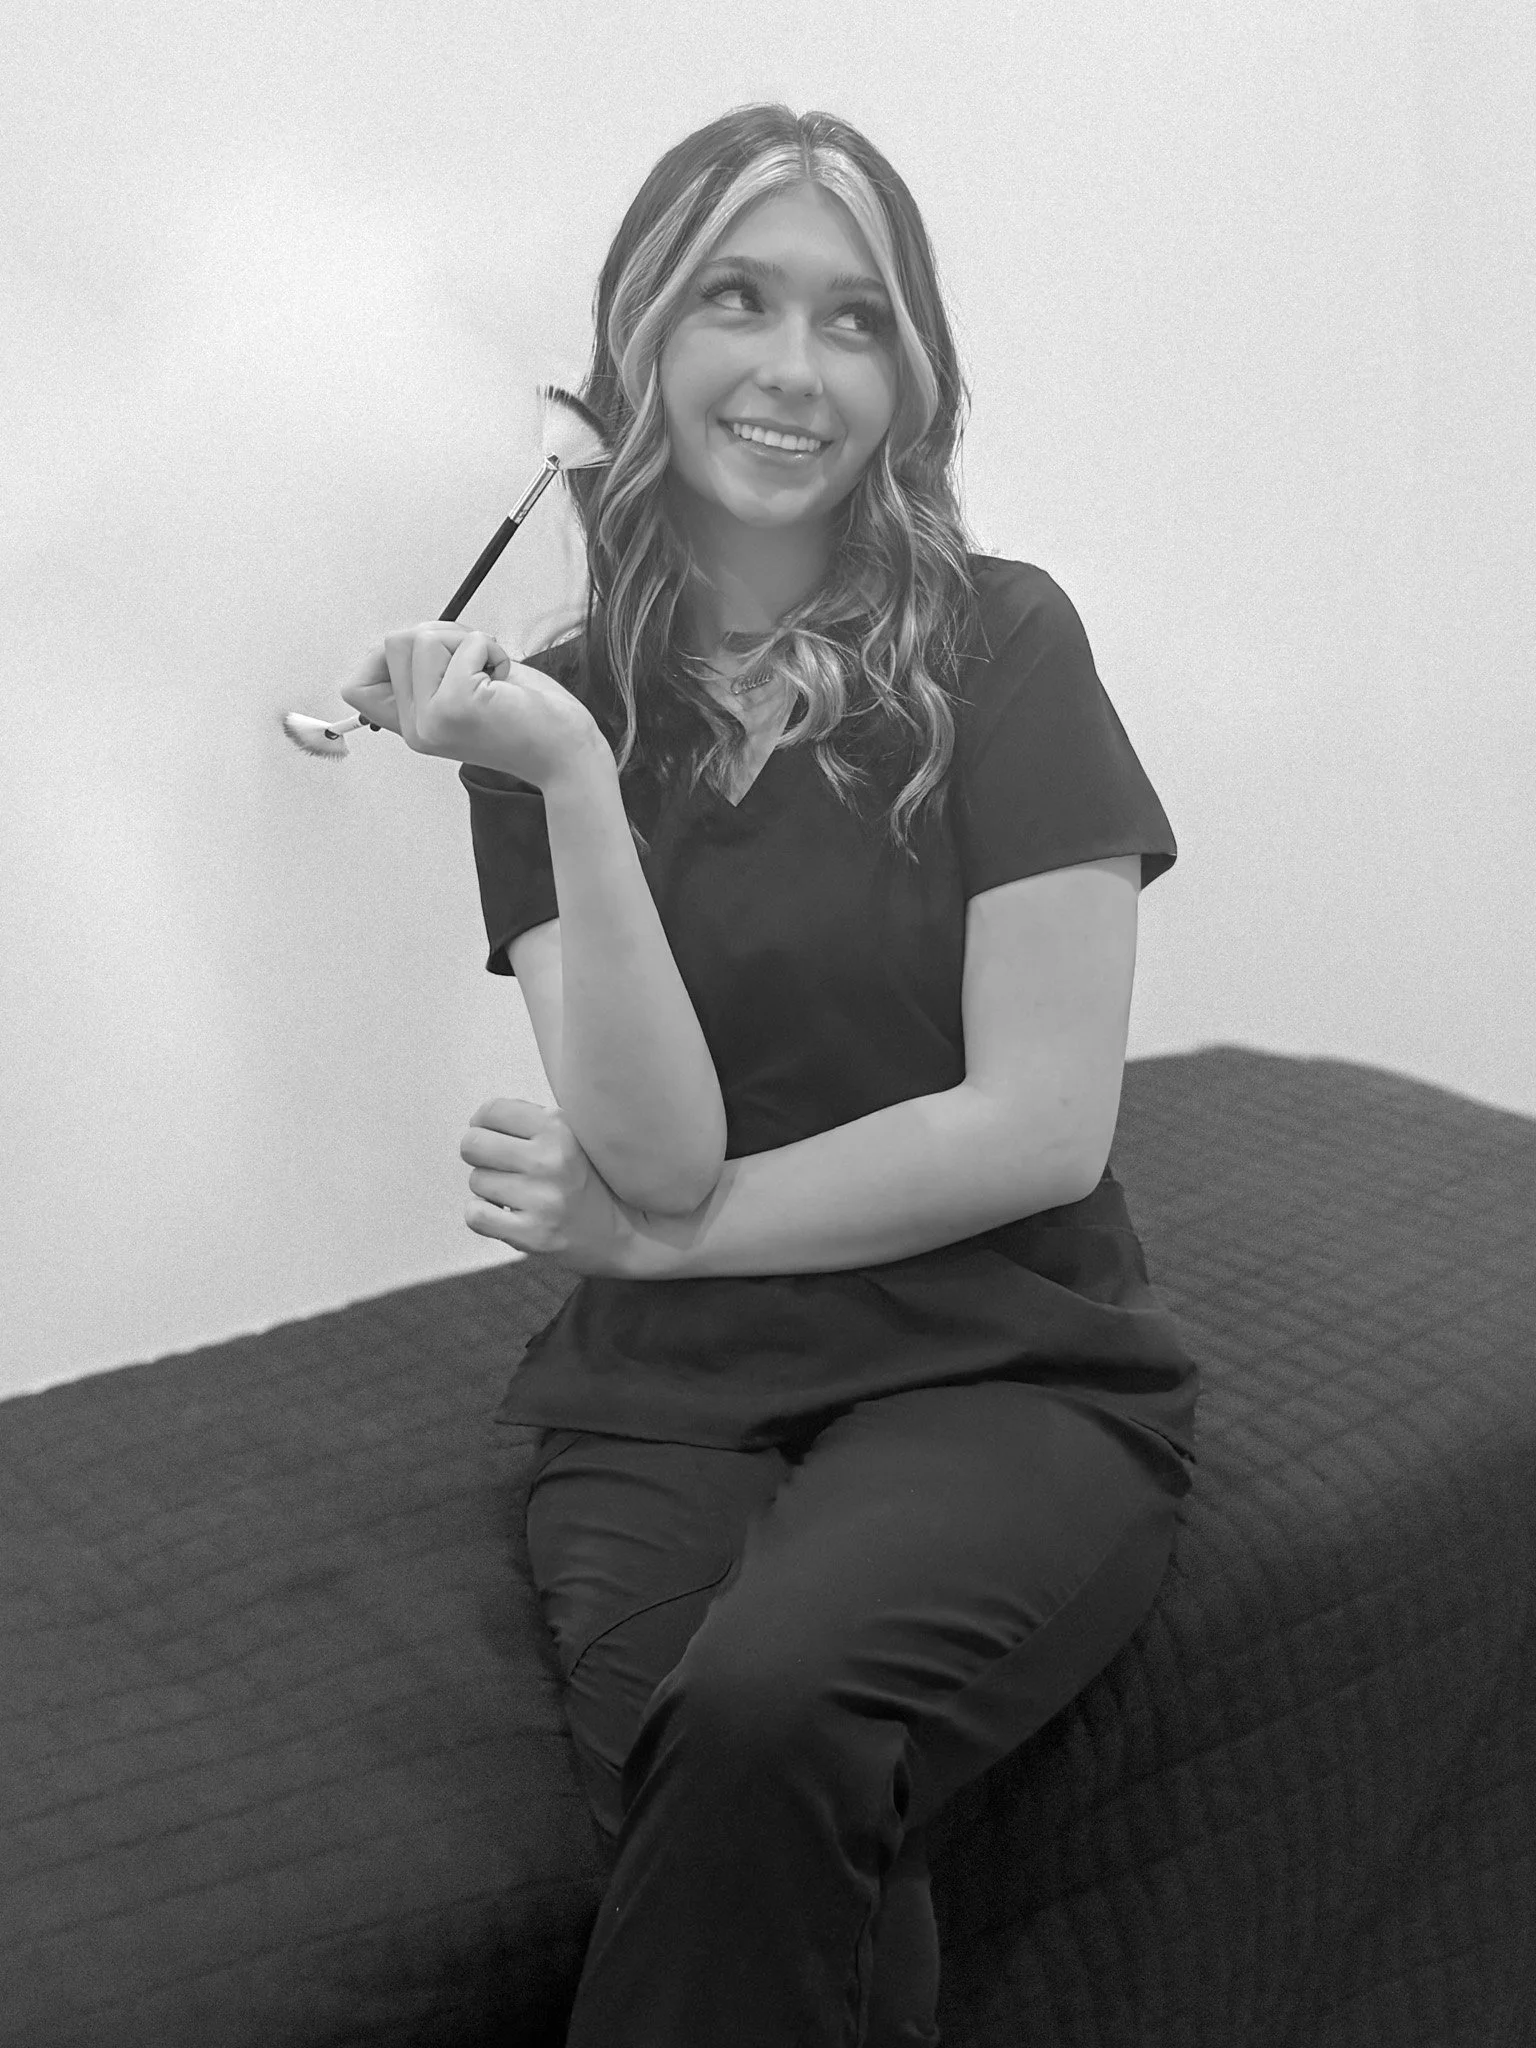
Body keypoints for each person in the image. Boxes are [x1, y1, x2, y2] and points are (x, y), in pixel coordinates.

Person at [341, 102, 1202, 2048]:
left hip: (1000, 1357)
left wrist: (652, 1244)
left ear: (911, 376)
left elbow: (1038, 1127)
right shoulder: (552, 716)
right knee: (734, 1775)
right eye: (739, 297)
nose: (796, 364)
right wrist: (572, 776)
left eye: (855, 316)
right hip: (668, 1398)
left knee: (765, 1711)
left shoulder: (1004, 641)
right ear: (645, 340)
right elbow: (656, 1150)